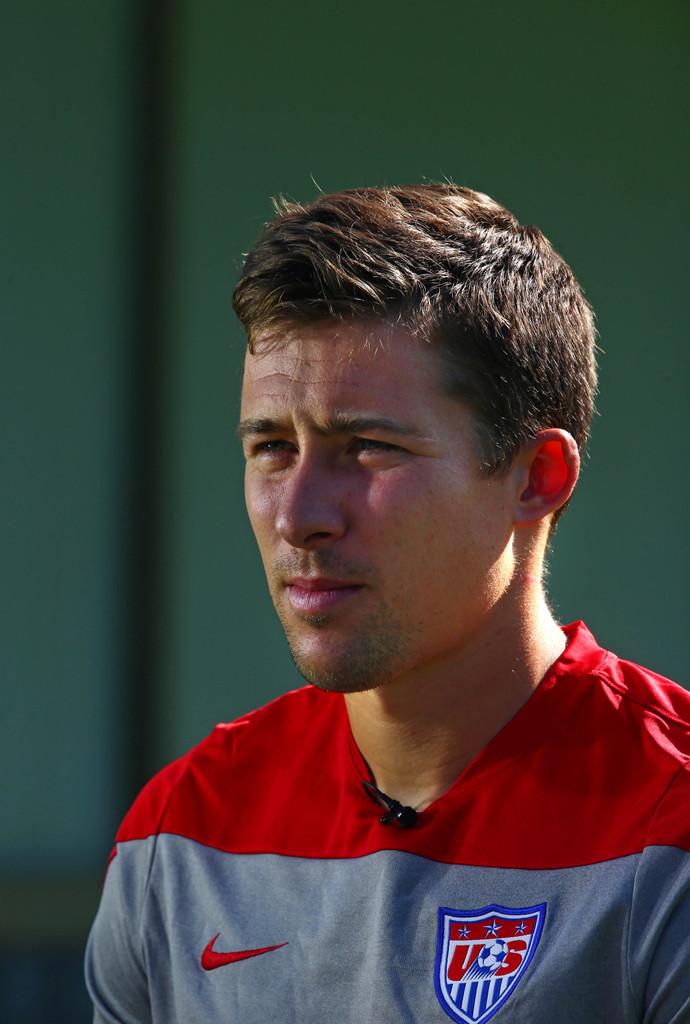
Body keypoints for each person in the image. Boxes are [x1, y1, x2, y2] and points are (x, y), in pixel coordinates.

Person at [85, 185, 690, 1024]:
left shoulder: (672, 830)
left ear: (534, 478)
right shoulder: (180, 835)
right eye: (271, 447)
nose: (299, 515)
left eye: (366, 446)